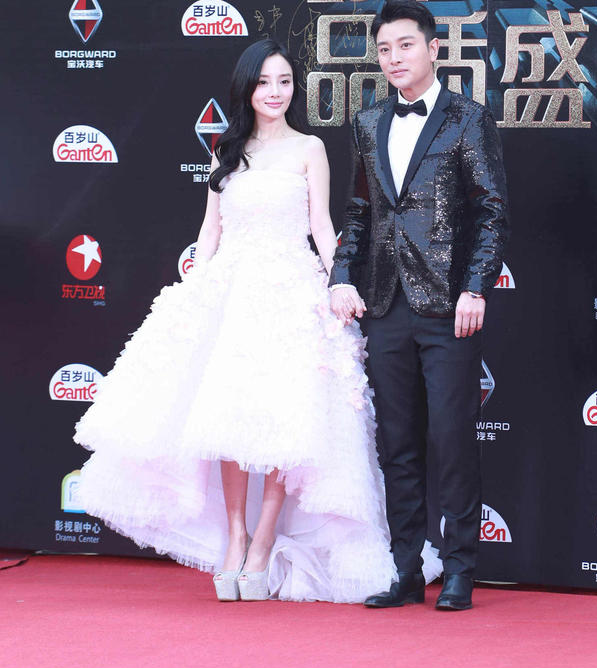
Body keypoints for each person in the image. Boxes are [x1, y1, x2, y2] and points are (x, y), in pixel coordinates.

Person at [75, 39, 437, 602]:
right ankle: (235, 537)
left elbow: (321, 226)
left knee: (283, 421)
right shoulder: (227, 149)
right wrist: (194, 290)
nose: (275, 92)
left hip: (292, 297)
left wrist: (338, 282)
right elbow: (210, 229)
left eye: (285, 82)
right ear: (247, 88)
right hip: (231, 297)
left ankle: (265, 539)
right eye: (265, 82)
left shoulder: (310, 148)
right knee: (228, 420)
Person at [330, 0, 509, 611]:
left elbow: (491, 212)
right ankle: (406, 570)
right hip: (384, 305)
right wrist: (340, 276)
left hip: (448, 305)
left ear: (434, 49)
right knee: (397, 444)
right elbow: (359, 212)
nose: (394, 58)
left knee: (453, 440)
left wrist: (475, 286)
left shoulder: (468, 119)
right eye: (384, 49)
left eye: (405, 45)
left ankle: (459, 570)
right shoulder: (368, 122)